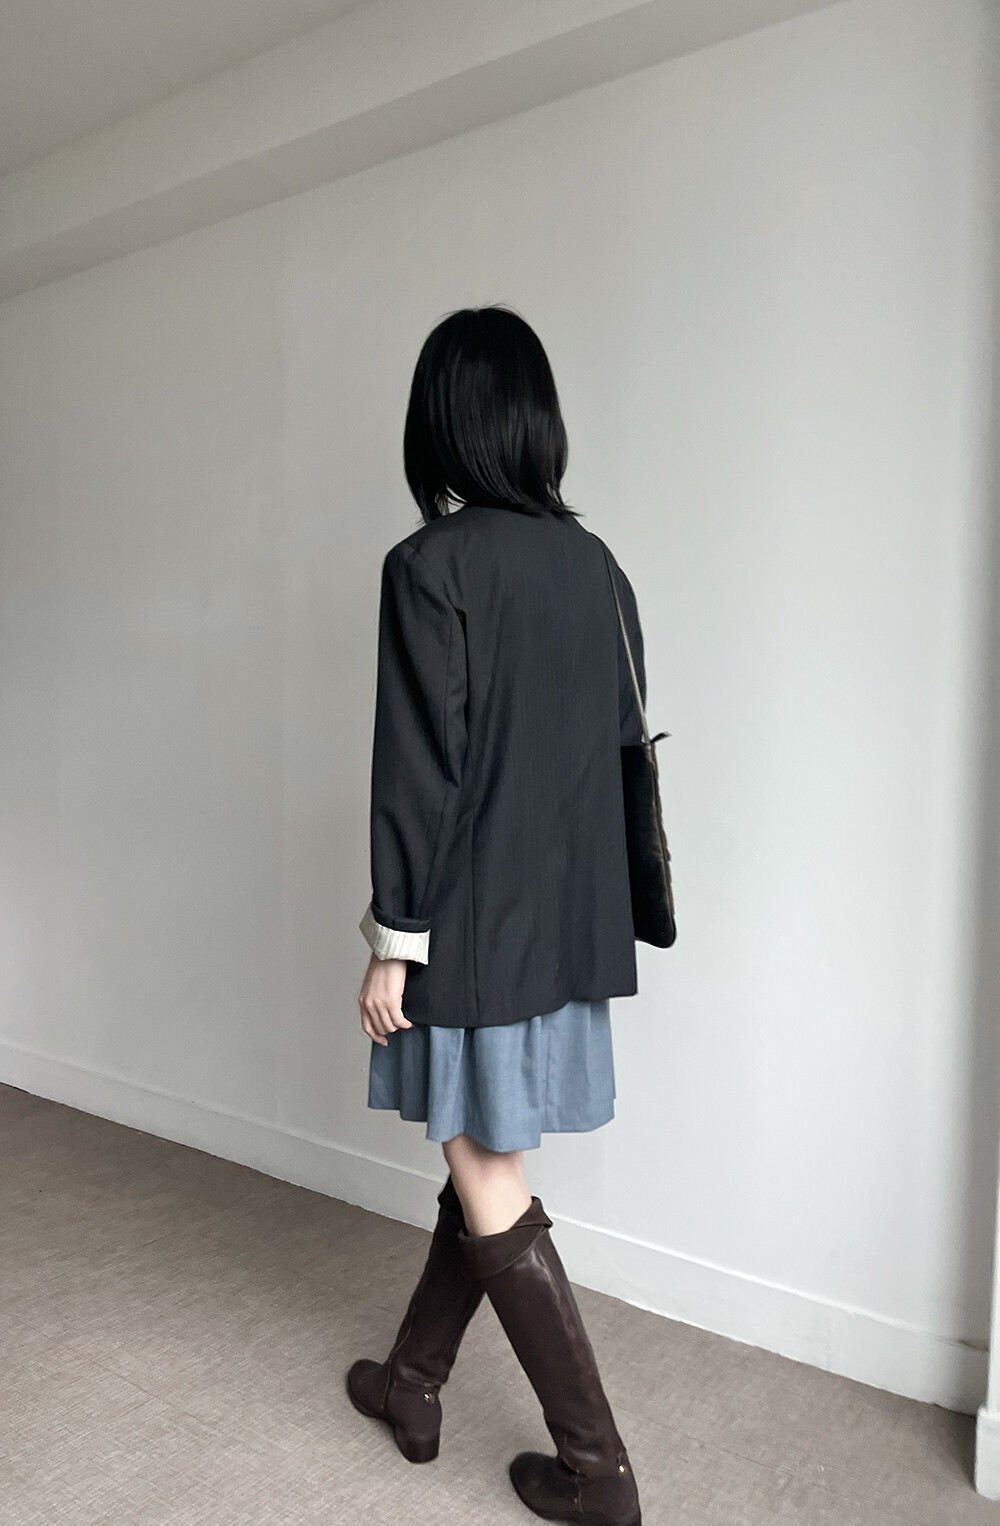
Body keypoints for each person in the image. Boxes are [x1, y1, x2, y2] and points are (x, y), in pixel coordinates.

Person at [346, 305, 649, 1526]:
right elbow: (615, 756)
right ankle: (411, 1382)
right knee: (487, 1161)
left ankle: (598, 1470)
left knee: (487, 1172)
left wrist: (393, 942)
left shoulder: (431, 565)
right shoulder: (599, 566)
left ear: (443, 423)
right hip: (570, 932)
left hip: (470, 935)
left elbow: (421, 772)